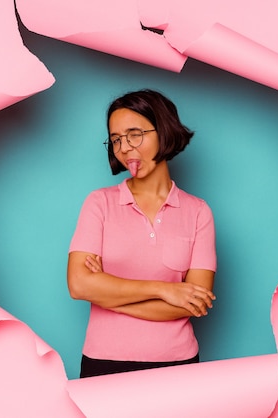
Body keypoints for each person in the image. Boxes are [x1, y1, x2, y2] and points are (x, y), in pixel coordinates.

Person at [67, 89, 217, 378]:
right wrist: (165, 290)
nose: (124, 148)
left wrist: (107, 294)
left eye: (135, 134)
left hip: (177, 363)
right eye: (116, 140)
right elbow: (78, 285)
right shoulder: (99, 203)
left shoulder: (199, 212)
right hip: (103, 361)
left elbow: (193, 303)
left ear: (163, 131)